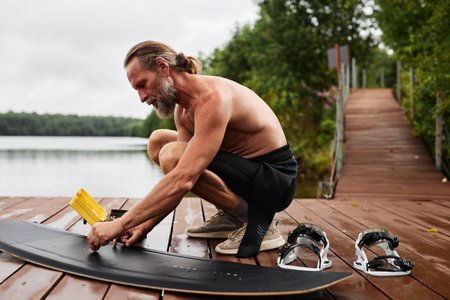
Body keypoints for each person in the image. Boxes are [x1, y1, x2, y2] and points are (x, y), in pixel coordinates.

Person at [87, 41, 297, 257]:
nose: (142, 97)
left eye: (142, 84)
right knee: (159, 141)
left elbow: (182, 177)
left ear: (162, 67)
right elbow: (179, 177)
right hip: (246, 175)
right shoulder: (183, 111)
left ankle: (260, 223)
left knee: (173, 154)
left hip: (275, 182)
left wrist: (120, 224)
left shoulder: (213, 99)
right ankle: (232, 215)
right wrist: (144, 224)